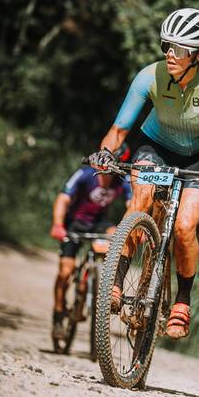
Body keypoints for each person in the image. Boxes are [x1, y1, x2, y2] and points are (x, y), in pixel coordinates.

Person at [88, 8, 199, 340]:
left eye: (180, 49)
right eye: (166, 46)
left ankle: (182, 301)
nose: (170, 54)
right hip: (155, 146)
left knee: (185, 226)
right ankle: (116, 282)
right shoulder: (150, 76)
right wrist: (106, 152)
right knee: (140, 201)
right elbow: (118, 130)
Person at [50, 144, 132, 338]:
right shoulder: (85, 174)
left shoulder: (123, 181)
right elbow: (63, 199)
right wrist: (58, 224)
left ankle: (96, 282)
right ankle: (59, 312)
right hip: (75, 224)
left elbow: (133, 204)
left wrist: (134, 230)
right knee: (66, 271)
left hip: (99, 223)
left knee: (116, 233)